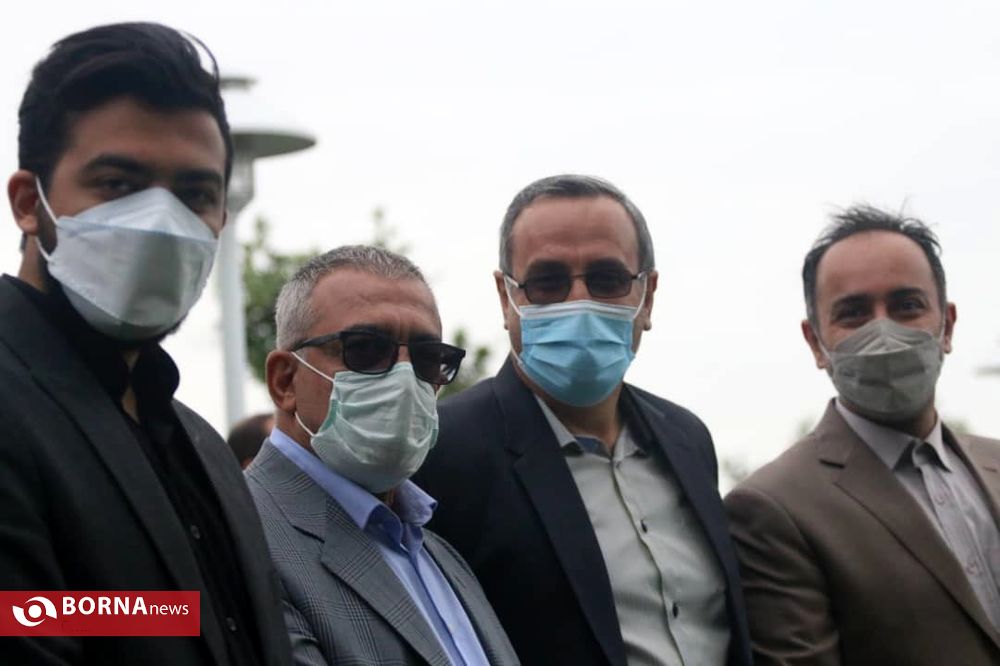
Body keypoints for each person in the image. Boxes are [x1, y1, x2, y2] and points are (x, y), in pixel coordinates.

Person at [0, 22, 291, 665]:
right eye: (118, 184)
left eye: (195, 195)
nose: (162, 222)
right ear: (28, 202)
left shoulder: (201, 445)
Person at [413, 174, 753, 666]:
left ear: (647, 296)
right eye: (547, 282)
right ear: (507, 298)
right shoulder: (444, 449)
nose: (578, 301)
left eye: (607, 279)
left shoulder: (687, 438)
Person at [725, 205, 1000, 665]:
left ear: (947, 326)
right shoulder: (774, 508)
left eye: (906, 306)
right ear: (815, 343)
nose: (883, 331)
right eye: (853, 313)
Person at [246, 245, 520, 665]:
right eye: (365, 349)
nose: (404, 378)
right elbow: (139, 622)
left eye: (428, 358)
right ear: (285, 381)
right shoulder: (234, 534)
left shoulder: (439, 554)